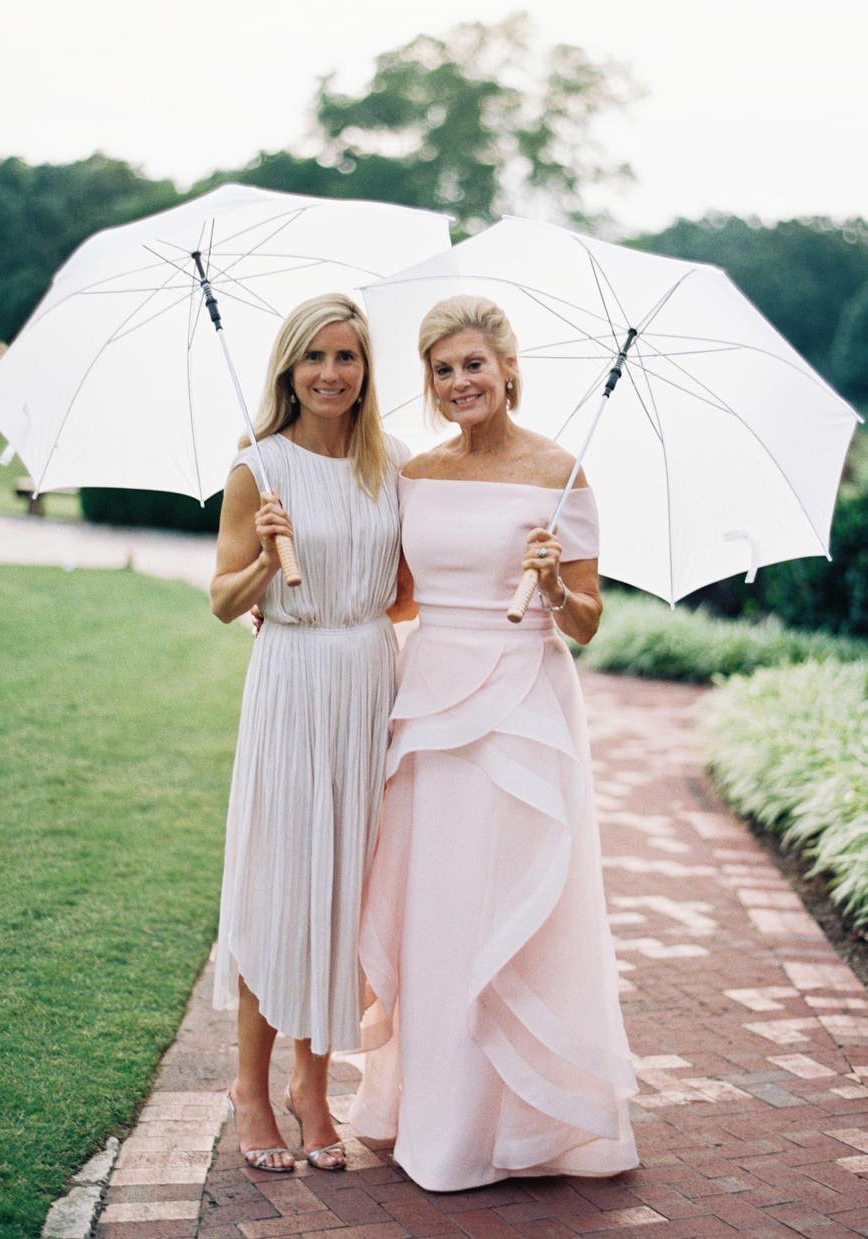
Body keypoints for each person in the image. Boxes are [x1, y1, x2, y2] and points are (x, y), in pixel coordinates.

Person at [348, 295, 639, 1191]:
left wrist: (555, 583)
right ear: (429, 384)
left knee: (507, 903)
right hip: (430, 695)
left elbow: (588, 624)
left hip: (522, 702)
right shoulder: (417, 473)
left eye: (473, 363)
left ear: (507, 368)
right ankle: (431, 1113)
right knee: (435, 902)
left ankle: (519, 1124)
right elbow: (399, 594)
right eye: (441, 369)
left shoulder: (561, 471)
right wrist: (313, 599)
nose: (458, 382)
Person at [210, 293, 412, 1173]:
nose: (332, 374)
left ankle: (312, 1086)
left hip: (369, 674)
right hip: (293, 681)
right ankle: (250, 1088)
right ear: (289, 369)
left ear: (367, 370)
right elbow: (223, 600)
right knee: (282, 882)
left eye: (348, 357)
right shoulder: (259, 466)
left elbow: (401, 593)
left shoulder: (392, 463)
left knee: (344, 889)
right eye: (315, 358)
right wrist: (264, 557)